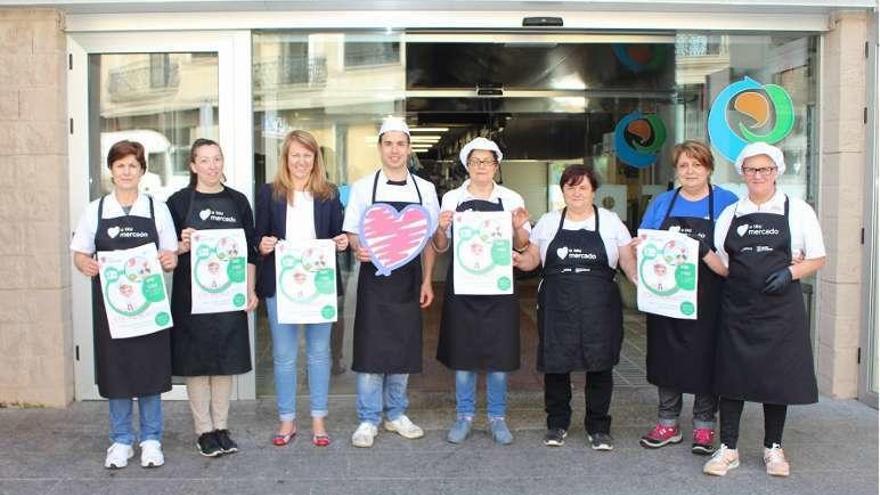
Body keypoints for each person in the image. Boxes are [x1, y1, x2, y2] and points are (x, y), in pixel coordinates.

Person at [703, 142, 825, 477]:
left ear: (777, 172)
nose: (759, 175)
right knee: (731, 378)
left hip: (780, 310)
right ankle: (728, 448)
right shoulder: (731, 214)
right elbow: (725, 266)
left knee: (778, 379)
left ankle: (773, 447)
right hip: (737, 309)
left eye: (766, 169)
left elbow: (816, 257)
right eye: (752, 169)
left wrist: (790, 273)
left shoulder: (798, 210)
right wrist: (697, 249)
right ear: (743, 173)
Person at [70, 140, 178, 469]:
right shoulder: (96, 210)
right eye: (120, 166)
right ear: (112, 171)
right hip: (112, 310)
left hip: (148, 308)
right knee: (116, 371)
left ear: (142, 171)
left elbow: (171, 255)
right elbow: (79, 253)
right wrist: (83, 264)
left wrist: (168, 258)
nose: (127, 171)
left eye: (133, 165)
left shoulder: (156, 208)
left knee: (150, 370)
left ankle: (151, 439)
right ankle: (120, 441)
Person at [514, 165, 636, 451]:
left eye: (583, 187)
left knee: (600, 363)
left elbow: (629, 263)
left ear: (593, 190)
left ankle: (599, 427)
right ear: (563, 191)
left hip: (599, 304)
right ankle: (557, 423)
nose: (577, 192)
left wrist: (654, 285)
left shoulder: (610, 221)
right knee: (556, 364)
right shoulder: (548, 221)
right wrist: (517, 260)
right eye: (570, 186)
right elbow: (531, 260)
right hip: (557, 303)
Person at [343, 117, 440, 448]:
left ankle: (396, 414)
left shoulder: (424, 189)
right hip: (375, 280)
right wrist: (360, 248)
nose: (395, 150)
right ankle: (368, 419)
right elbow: (353, 232)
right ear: (380, 147)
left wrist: (428, 280)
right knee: (371, 349)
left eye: (401, 144)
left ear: (409, 148)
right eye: (389, 143)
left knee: (403, 347)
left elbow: (428, 240)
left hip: (409, 280)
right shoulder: (363, 187)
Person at [636, 141, 737, 454]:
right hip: (667, 296)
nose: (690, 171)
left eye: (697, 164)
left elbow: (733, 253)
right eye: (683, 165)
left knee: (707, 359)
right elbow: (643, 240)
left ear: (708, 167)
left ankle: (704, 426)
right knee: (667, 358)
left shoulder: (727, 202)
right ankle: (667, 422)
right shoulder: (662, 203)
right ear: (676, 170)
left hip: (710, 296)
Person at [431, 137, 530, 445]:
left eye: (487, 162)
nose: (481, 168)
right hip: (463, 286)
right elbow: (441, 246)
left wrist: (517, 226)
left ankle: (498, 418)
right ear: (467, 166)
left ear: (496, 166)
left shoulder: (511, 198)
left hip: (498, 287)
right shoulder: (451, 199)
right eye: (475, 162)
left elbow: (523, 246)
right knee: (464, 355)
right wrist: (440, 227)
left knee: (500, 356)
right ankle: (464, 416)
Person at [255, 130, 348, 448]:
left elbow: (339, 236)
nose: (301, 161)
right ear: (285, 158)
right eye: (295, 154)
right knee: (283, 356)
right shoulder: (269, 193)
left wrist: (342, 241)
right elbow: (259, 237)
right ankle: (287, 420)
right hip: (281, 285)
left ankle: (319, 420)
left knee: (320, 354)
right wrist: (263, 244)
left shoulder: (329, 194)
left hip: (318, 284)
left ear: (315, 159)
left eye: (307, 155)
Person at [166, 139, 258, 457]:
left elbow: (250, 252)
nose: (212, 166)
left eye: (217, 159)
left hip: (227, 296)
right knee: (196, 364)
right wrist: (181, 244)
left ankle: (222, 427)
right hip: (191, 297)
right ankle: (203, 430)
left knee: (224, 362)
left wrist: (250, 289)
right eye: (204, 160)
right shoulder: (177, 203)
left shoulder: (238, 201)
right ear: (193, 166)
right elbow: (165, 253)